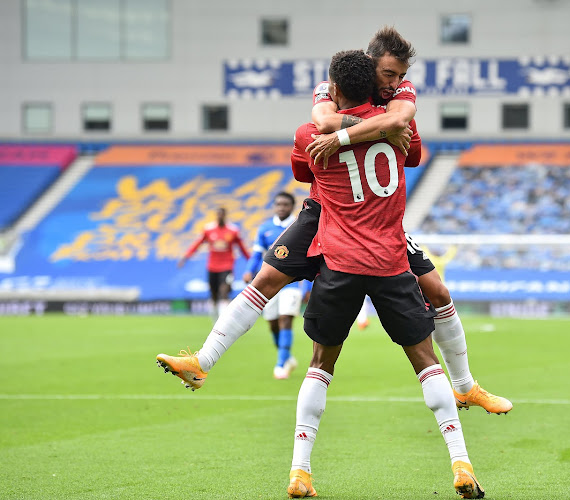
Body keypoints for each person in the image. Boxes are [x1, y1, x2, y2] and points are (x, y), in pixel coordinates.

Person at [157, 27, 511, 419]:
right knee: (265, 280)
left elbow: (404, 134)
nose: (395, 84)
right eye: (389, 74)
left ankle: (466, 387)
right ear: (370, 63)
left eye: (399, 76)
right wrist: (376, 127)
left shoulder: (402, 94)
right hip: (323, 211)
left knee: (438, 291)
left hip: (374, 221)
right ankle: (203, 360)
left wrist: (347, 136)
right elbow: (325, 120)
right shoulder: (332, 86)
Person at [286, 49, 484, 499]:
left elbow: (304, 168)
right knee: (426, 362)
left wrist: (330, 119)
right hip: (392, 262)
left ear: (334, 90)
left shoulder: (312, 134)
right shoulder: (400, 129)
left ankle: (300, 472)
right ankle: (461, 463)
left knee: (320, 364)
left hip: (338, 263)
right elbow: (407, 140)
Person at [243, 192, 307, 379]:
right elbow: (257, 254)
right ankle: (287, 357)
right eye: (278, 204)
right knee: (272, 323)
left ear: (292, 206)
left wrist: (309, 287)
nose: (281, 207)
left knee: (285, 319)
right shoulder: (265, 228)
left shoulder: (299, 226)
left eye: (285, 204)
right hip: (269, 283)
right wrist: (249, 270)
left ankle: (281, 364)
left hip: (292, 283)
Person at [177, 207, 249, 320]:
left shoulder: (233, 230)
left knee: (224, 292)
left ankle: (224, 322)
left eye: (222, 215)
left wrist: (250, 261)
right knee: (214, 295)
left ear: (225, 216)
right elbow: (197, 244)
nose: (220, 217)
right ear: (216, 216)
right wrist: (185, 257)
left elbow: (242, 247)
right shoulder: (208, 229)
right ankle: (215, 321)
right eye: (218, 214)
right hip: (212, 267)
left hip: (227, 266)